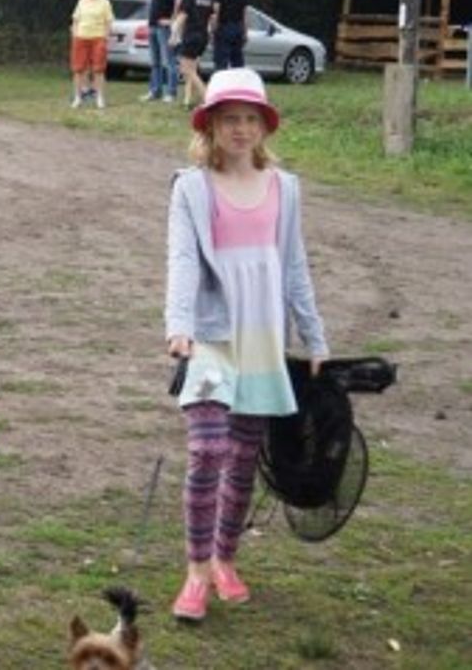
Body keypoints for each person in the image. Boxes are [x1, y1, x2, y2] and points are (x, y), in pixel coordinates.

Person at [163, 67, 329, 622]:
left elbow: (294, 266)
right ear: (209, 125)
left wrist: (314, 333)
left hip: (264, 337)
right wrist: (178, 324)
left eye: (248, 119)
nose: (239, 128)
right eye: (228, 118)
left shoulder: (287, 189)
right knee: (208, 449)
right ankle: (194, 572)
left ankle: (224, 560)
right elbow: (183, 261)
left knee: (241, 458)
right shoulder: (190, 187)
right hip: (211, 336)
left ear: (263, 127)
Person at [69, 0, 114, 109]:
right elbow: (75, 20)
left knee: (98, 69)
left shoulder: (104, 2)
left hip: (98, 38)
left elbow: (109, 21)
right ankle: (78, 97)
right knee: (78, 69)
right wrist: (75, 34)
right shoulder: (81, 1)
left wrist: (106, 37)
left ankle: (99, 97)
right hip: (81, 38)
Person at [170, 0, 211, 109]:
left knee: (187, 70)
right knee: (192, 68)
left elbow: (182, 17)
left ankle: (208, 97)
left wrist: (173, 35)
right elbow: (211, 18)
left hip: (191, 36)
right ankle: (187, 100)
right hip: (203, 36)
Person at [140, 0, 178, 103]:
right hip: (152, 27)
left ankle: (171, 93)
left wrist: (171, 20)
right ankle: (155, 91)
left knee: (169, 61)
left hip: (163, 28)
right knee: (155, 62)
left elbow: (177, 2)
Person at [210, 0, 249, 70]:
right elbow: (245, 13)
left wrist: (213, 30)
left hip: (223, 27)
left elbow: (216, 11)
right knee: (238, 63)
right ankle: (239, 86)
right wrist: (245, 32)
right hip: (238, 28)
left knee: (221, 63)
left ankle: (221, 86)